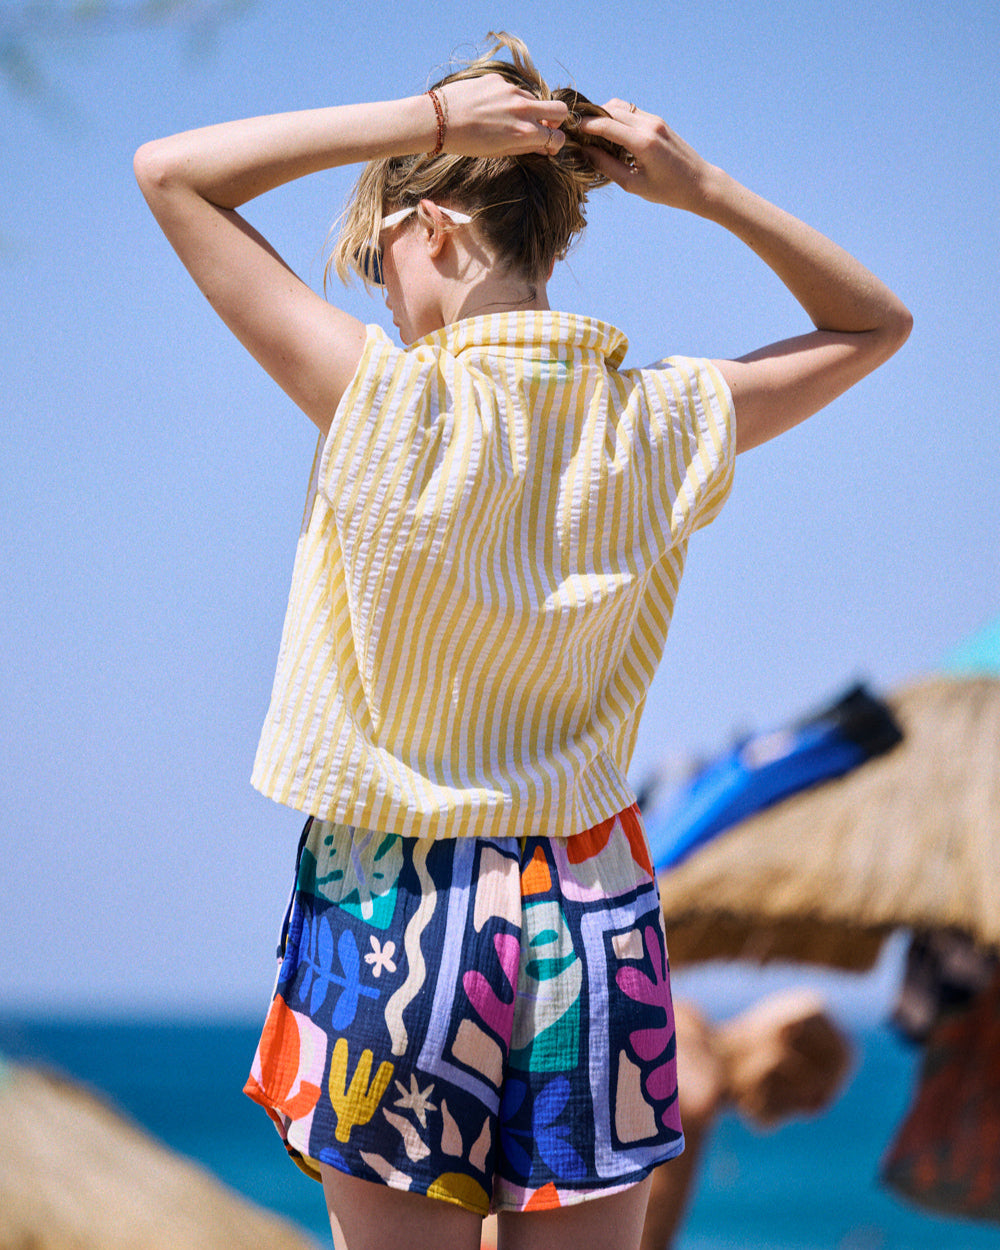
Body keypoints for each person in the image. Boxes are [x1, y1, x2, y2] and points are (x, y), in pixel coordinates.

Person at [134, 32, 911, 1250]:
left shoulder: (389, 398)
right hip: (589, 915)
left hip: (391, 907)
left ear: (433, 228)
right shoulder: (658, 421)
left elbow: (171, 170)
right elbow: (872, 324)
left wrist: (425, 117)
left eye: (381, 260)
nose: (381, 296)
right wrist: (701, 191)